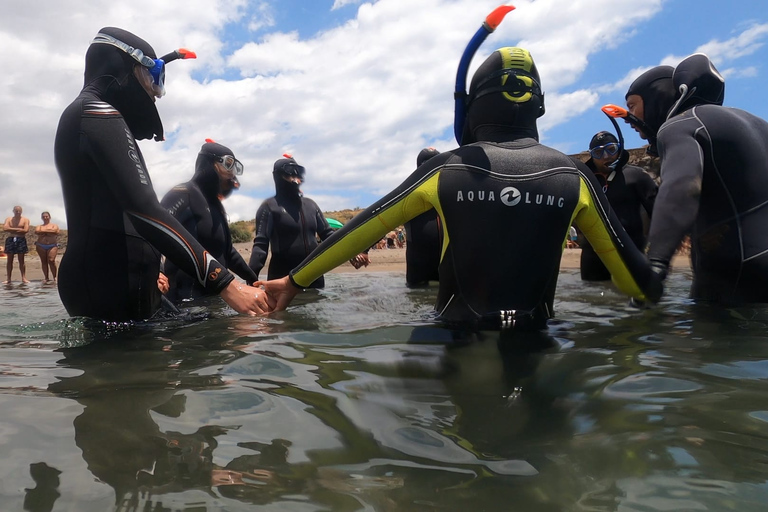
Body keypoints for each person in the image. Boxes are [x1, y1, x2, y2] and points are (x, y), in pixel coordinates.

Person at [258, 46, 662, 331]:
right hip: (536, 342)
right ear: (538, 106)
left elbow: (363, 229)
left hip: (451, 340)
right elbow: (635, 281)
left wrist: (294, 282)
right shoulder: (573, 175)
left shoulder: (447, 168)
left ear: (472, 107)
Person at [53, 27, 269, 321]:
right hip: (107, 286)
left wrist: (152, 269)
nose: (156, 93)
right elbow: (144, 209)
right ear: (121, 67)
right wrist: (226, 284)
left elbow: (126, 211)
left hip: (117, 283)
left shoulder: (94, 117)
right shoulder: (95, 113)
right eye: (151, 78)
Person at [623, 53, 768, 303]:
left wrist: (656, 263)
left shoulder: (682, 125)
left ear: (657, 97)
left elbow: (682, 187)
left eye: (632, 105)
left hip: (736, 273)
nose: (629, 119)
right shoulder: (758, 125)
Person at [160, 140, 258, 303]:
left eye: (235, 168)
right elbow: (152, 230)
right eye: (228, 164)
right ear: (208, 163)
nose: (232, 173)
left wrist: (252, 278)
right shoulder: (183, 194)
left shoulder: (216, 206)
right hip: (184, 302)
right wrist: (157, 271)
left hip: (216, 298)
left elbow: (227, 252)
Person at [248, 154, 367, 288]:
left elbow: (329, 236)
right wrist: (250, 281)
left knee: (315, 307)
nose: (295, 178)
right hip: (282, 280)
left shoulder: (311, 205)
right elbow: (260, 248)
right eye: (290, 173)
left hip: (314, 279)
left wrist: (351, 254)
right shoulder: (269, 207)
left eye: (298, 173)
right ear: (278, 176)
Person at [579, 131, 657, 281]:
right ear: (592, 156)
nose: (606, 156)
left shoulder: (637, 176)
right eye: (598, 153)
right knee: (590, 299)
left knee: (629, 301)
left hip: (630, 251)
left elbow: (659, 213)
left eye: (611, 149)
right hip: (593, 256)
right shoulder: (586, 181)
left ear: (619, 150)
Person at [403, 147, 443, 286]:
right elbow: (382, 222)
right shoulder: (408, 196)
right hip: (418, 278)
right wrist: (364, 250)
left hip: (448, 277)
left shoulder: (451, 192)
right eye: (426, 165)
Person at [3, 205, 31, 284]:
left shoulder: (25, 220)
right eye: (16, 211)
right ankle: (8, 278)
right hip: (11, 239)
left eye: (19, 211)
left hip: (21, 239)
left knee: (21, 260)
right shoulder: (9, 219)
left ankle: (23, 278)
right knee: (9, 260)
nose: (17, 212)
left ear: (21, 211)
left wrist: (12, 230)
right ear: (13, 211)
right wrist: (18, 229)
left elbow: (25, 230)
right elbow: (5, 228)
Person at [35, 211, 60, 283]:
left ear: (49, 217)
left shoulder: (54, 225)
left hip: (52, 245)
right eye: (43, 217)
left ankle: (55, 276)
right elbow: (37, 231)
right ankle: (46, 277)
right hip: (41, 245)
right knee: (44, 261)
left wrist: (43, 231)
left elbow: (56, 231)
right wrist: (49, 231)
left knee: (51, 260)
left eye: (46, 216)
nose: (45, 218)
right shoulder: (39, 226)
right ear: (41, 218)